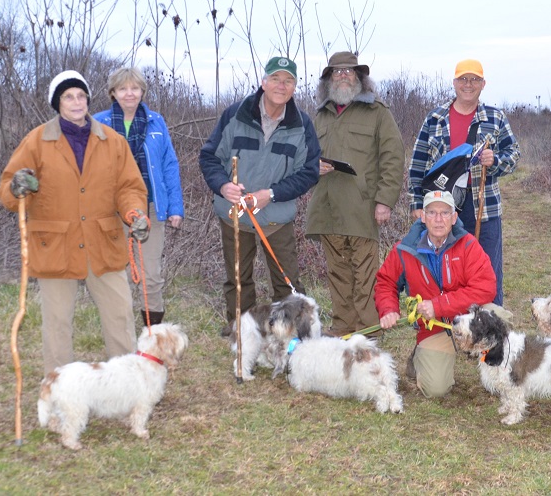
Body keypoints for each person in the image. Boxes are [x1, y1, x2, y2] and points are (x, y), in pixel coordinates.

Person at [0, 70, 149, 374]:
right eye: (68, 97)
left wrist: (135, 213)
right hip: (55, 247)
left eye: (81, 96)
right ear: (58, 103)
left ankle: (126, 384)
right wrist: (17, 187)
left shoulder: (113, 141)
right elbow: (7, 190)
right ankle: (58, 390)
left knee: (120, 317)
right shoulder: (37, 141)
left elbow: (129, 187)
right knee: (57, 324)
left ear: (89, 100)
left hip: (103, 244)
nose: (77, 102)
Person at [199, 56, 320, 322]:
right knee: (238, 283)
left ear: (294, 87)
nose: (281, 85)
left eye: (288, 81)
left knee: (287, 285)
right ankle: (242, 337)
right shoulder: (235, 115)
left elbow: (309, 172)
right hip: (234, 216)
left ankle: (292, 340)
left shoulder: (302, 125)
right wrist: (223, 185)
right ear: (263, 82)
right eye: (275, 79)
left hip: (277, 218)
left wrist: (272, 194)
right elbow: (209, 157)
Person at [305, 51, 405, 337]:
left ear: (360, 77)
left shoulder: (377, 112)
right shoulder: (320, 116)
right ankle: (343, 331)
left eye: (349, 71)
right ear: (328, 79)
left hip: (362, 209)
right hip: (327, 209)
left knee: (365, 275)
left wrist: (384, 201)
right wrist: (313, 167)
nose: (343, 76)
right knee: (337, 273)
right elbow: (305, 157)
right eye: (337, 71)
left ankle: (368, 334)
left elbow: (393, 157)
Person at [408, 59, 520, 306]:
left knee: (487, 270)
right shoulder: (435, 118)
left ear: (483, 84)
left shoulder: (495, 117)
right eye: (463, 79)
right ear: (454, 82)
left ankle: (490, 322)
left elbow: (513, 155)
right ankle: (451, 320)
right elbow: (418, 163)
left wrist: (495, 160)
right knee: (447, 268)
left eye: (475, 79)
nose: (468, 84)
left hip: (484, 207)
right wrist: (417, 202)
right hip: (443, 208)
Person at [375, 190, 496, 398]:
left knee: (499, 317)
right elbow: (385, 282)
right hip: (434, 327)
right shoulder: (404, 250)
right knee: (436, 389)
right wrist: (388, 309)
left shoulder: (468, 245)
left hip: (467, 320)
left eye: (445, 213)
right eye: (432, 213)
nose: (438, 219)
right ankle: (419, 359)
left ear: (454, 217)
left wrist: (439, 305)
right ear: (422, 216)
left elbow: (486, 287)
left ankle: (499, 370)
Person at [95, 67, 185, 326]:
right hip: (111, 210)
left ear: (142, 92)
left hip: (151, 208)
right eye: (123, 88)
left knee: (151, 275)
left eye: (134, 88)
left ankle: (152, 332)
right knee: (118, 272)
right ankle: (119, 329)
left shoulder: (156, 122)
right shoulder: (98, 123)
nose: (129, 93)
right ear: (113, 93)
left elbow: (169, 164)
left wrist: (175, 207)